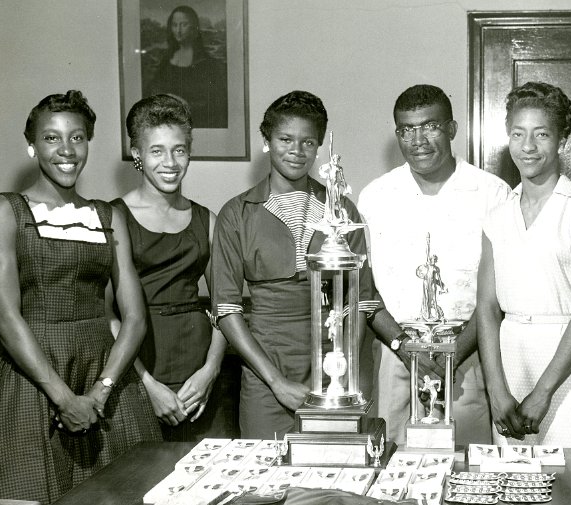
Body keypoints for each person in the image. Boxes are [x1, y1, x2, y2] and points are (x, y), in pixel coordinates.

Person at [0, 91, 161, 505]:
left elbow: (134, 318)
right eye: (52, 138)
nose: (66, 150)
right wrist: (64, 398)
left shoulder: (107, 217)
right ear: (31, 147)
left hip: (106, 382)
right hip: (33, 383)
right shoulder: (7, 210)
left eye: (77, 137)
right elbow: (5, 317)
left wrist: (99, 393)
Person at [210, 91, 379, 439]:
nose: (296, 150)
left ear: (318, 149)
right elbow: (226, 308)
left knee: (335, 472)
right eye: (285, 139)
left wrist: (342, 367)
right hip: (266, 367)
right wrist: (275, 381)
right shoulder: (237, 213)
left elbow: (361, 301)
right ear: (266, 142)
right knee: (267, 477)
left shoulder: (342, 210)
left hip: (333, 363)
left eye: (308, 142)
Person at [358, 84, 512, 448]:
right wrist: (402, 345)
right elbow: (364, 288)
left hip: (469, 353)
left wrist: (455, 353)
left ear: (452, 129)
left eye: (430, 127)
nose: (418, 140)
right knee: (394, 464)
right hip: (396, 354)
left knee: (467, 466)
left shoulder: (492, 193)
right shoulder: (376, 197)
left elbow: (502, 289)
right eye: (407, 129)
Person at [475, 82, 571, 447]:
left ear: (562, 141)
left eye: (541, 135)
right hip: (510, 356)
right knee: (511, 483)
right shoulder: (497, 216)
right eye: (518, 134)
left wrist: (544, 390)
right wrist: (497, 389)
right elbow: (487, 308)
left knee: (565, 484)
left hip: (566, 362)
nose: (528, 147)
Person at [109, 94, 227, 441]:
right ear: (137, 155)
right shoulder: (113, 216)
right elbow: (107, 315)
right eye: (157, 150)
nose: (170, 162)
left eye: (180, 150)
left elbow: (226, 305)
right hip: (139, 363)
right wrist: (145, 383)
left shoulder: (207, 220)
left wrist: (211, 369)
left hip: (197, 367)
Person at [146, 5, 227, 129]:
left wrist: (182, 104)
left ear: (194, 28)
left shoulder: (207, 63)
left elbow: (215, 103)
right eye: (174, 25)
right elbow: (152, 89)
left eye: (183, 25)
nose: (178, 30)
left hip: (197, 125)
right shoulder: (166, 59)